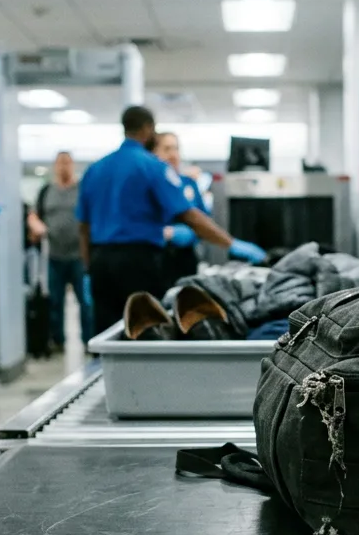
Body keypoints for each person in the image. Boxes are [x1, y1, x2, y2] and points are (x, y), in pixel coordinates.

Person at [78, 106, 267, 334]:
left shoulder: (95, 170)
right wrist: (230, 243)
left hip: (100, 261)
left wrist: (88, 267)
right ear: (148, 128)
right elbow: (190, 216)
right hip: (138, 262)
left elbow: (83, 227)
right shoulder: (152, 166)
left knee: (105, 334)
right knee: (145, 332)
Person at [26, 151, 90, 351]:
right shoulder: (47, 191)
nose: (64, 167)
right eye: (60, 163)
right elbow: (34, 215)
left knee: (85, 303)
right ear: (55, 166)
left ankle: (88, 340)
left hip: (79, 256)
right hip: (54, 256)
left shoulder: (82, 190)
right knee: (55, 301)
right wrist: (37, 227)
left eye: (68, 163)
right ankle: (58, 341)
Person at [154, 132, 208, 288]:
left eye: (176, 149)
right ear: (154, 152)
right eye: (167, 149)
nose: (173, 154)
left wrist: (190, 234)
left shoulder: (188, 183)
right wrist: (163, 232)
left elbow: (204, 220)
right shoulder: (149, 185)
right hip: (158, 259)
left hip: (186, 258)